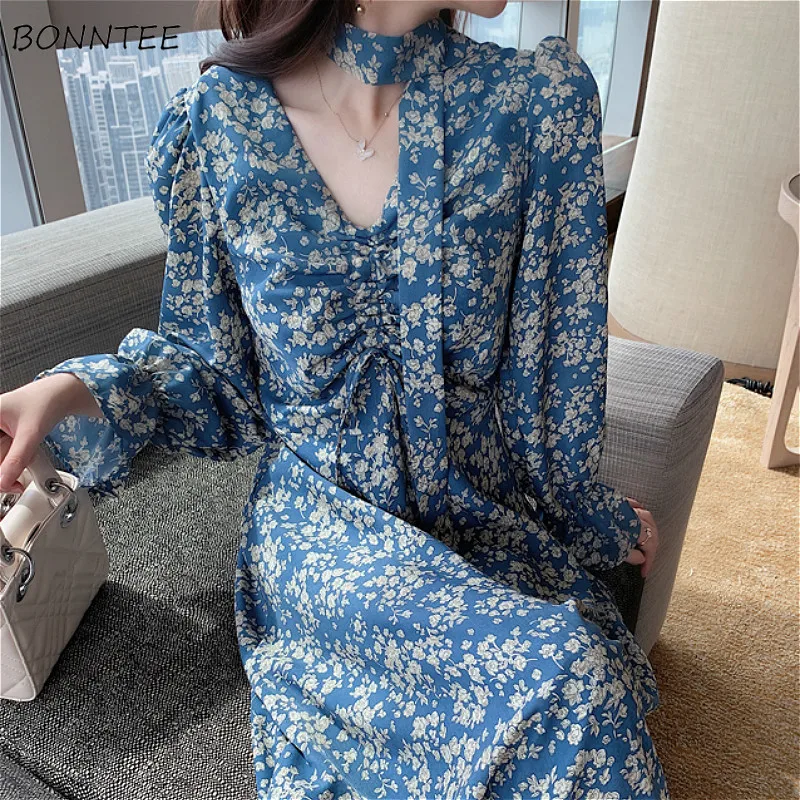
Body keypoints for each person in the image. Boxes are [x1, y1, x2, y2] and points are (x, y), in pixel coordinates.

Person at [0, 0, 668, 796]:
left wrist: (584, 513)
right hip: (324, 534)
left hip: (478, 513)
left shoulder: (533, 105)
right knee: (569, 678)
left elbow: (550, 362)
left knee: (580, 683)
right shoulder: (221, 122)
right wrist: (65, 389)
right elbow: (213, 372)